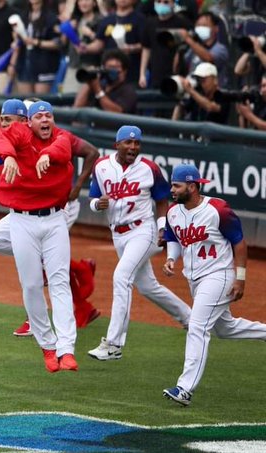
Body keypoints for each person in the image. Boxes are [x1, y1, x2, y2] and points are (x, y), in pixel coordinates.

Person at [0, 99, 100, 336]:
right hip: (26, 212)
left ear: (24, 122)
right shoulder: (14, 141)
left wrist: (78, 186)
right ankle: (79, 272)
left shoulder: (51, 136)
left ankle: (52, 316)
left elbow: (88, 151)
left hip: (57, 209)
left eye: (8, 120)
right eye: (2, 119)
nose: (4, 124)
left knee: (50, 270)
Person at [161, 164, 266, 406]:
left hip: (219, 276)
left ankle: (184, 389)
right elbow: (173, 238)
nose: (172, 189)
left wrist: (240, 278)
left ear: (192, 186)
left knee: (197, 326)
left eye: (176, 185)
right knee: (224, 328)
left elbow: (239, 243)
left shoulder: (218, 209)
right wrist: (170, 258)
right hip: (194, 279)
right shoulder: (174, 212)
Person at [86, 125, 190, 361]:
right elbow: (93, 198)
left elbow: (162, 200)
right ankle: (191, 319)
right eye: (128, 143)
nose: (133, 147)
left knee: (121, 277)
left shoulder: (149, 169)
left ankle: (114, 344)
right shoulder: (102, 166)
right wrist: (96, 205)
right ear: (117, 145)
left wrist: (163, 228)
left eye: (137, 143)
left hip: (143, 231)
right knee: (148, 287)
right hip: (118, 234)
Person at [78, 0, 145, 84]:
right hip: (108, 71)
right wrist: (86, 48)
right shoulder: (107, 20)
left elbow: (146, 45)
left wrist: (132, 48)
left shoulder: (140, 19)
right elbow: (99, 44)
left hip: (132, 70)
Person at [11, 0, 62, 95]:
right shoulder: (23, 16)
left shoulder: (51, 18)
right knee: (26, 102)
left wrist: (36, 42)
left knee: (40, 103)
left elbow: (58, 43)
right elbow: (17, 37)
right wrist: (16, 40)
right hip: (24, 63)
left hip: (44, 65)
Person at [138, 0, 192, 89]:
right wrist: (142, 74)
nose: (162, 4)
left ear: (173, 3)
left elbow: (190, 46)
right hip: (156, 72)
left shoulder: (183, 23)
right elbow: (146, 49)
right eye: (159, 1)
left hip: (177, 73)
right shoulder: (150, 23)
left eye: (166, 2)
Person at [73, 48, 137, 114]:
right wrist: (89, 81)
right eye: (109, 67)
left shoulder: (128, 91)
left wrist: (98, 90)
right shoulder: (100, 86)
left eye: (115, 67)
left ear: (124, 71)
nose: (111, 70)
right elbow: (77, 109)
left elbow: (117, 113)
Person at [175, 11, 228, 87]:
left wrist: (188, 39)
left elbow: (209, 58)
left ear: (216, 28)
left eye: (204, 25)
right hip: (192, 89)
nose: (200, 28)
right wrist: (179, 48)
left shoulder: (220, 49)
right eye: (198, 25)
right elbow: (178, 68)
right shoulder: (192, 48)